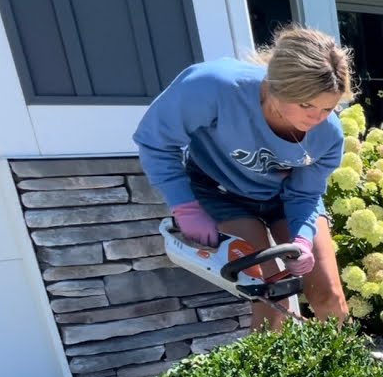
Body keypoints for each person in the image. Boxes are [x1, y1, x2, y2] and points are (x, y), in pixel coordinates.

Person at [133, 24, 352, 332]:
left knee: (330, 297)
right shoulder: (212, 88)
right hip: (222, 194)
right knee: (272, 299)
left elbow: (304, 194)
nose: (315, 118)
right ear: (277, 86)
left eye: (327, 108)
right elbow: (156, 142)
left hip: (285, 197)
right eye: (305, 105)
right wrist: (186, 207)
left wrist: (302, 237)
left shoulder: (328, 135)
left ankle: (344, 372)